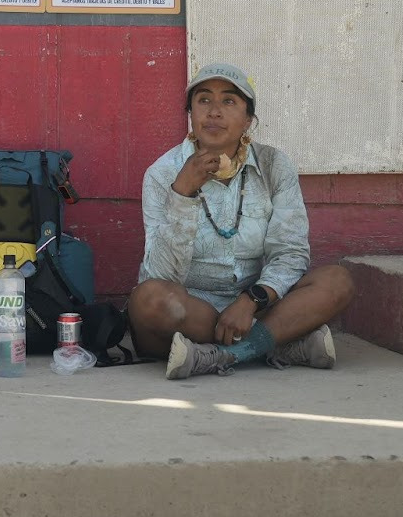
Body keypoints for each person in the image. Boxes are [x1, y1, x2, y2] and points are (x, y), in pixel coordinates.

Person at [127, 63, 355, 379]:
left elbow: (290, 253)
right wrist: (183, 192)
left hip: (258, 306)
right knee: (148, 300)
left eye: (229, 101)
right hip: (191, 308)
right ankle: (276, 345)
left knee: (337, 281)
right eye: (203, 100)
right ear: (190, 114)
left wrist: (251, 301)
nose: (214, 112)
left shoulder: (274, 165)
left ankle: (218, 356)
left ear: (248, 120)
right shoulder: (162, 174)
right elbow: (161, 274)